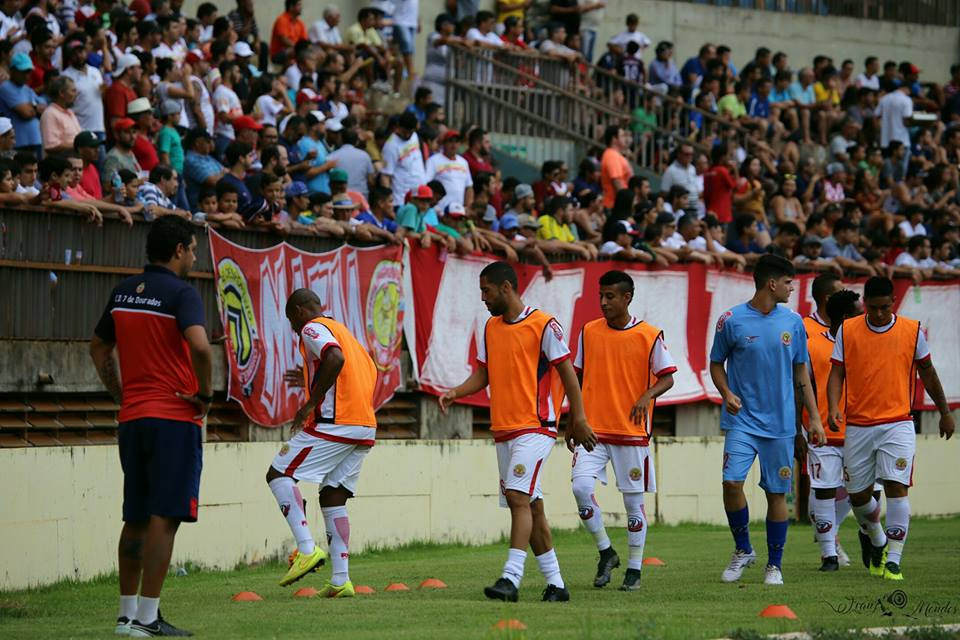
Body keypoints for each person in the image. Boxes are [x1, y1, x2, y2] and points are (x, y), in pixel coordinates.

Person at [439, 261, 597, 603]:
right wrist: (456, 392)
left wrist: (578, 417)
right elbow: (484, 374)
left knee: (516, 497)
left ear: (506, 288)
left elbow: (568, 373)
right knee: (532, 506)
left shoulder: (544, 325)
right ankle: (556, 584)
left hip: (536, 427)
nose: (483, 298)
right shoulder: (490, 327)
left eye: (486, 291)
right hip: (504, 430)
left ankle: (510, 578)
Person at [89, 216, 213, 637]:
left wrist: (120, 395)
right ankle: (148, 618)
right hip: (173, 418)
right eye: (193, 250)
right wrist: (205, 395)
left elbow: (99, 346)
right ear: (178, 250)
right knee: (166, 517)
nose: (194, 257)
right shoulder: (182, 294)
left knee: (136, 516)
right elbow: (200, 347)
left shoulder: (124, 291)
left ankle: (126, 617)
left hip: (133, 418)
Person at [828, 276, 955, 581]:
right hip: (858, 425)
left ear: (893, 302)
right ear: (864, 304)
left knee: (897, 486)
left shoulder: (912, 331)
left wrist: (944, 411)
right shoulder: (848, 329)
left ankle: (894, 560)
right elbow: (837, 372)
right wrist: (833, 406)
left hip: (898, 423)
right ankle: (877, 540)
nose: (879, 313)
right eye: (873, 308)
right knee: (858, 496)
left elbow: (928, 373)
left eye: (885, 307)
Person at [709, 254, 825, 586]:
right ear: (771, 284)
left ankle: (774, 565)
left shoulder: (793, 323)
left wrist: (814, 419)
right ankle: (743, 549)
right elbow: (716, 363)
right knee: (731, 483)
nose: (792, 288)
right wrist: (726, 392)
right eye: (788, 282)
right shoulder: (731, 320)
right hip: (742, 421)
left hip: (781, 426)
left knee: (776, 494)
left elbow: (801, 373)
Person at [267, 288, 378, 597]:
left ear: (300, 311)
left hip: (336, 423)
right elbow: (360, 371)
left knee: (278, 474)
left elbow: (334, 357)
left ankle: (306, 548)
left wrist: (309, 404)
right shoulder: (347, 334)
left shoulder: (312, 327)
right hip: (364, 426)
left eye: (292, 321)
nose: (294, 329)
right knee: (332, 496)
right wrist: (314, 380)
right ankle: (341, 580)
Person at [571, 270, 675, 591]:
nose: (603, 302)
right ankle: (606, 552)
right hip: (593, 431)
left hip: (631, 433)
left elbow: (668, 377)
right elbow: (577, 378)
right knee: (580, 488)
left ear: (627, 298)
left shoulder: (649, 335)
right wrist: (573, 420)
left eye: (610, 296)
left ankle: (634, 569)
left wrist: (647, 395)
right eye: (600, 296)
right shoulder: (588, 331)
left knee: (633, 504)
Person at [804, 288, 860, 572]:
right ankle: (829, 554)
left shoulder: (868, 343)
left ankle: (869, 535)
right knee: (824, 490)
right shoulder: (812, 344)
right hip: (823, 432)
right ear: (846, 317)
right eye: (859, 313)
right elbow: (800, 386)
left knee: (865, 494)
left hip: (863, 429)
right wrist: (800, 428)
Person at [0, 52, 43, 157]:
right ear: (13, 70)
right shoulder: (5, 87)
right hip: (18, 143)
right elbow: (26, 113)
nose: (27, 75)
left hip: (35, 140)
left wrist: (31, 107)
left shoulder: (27, 89)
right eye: (23, 71)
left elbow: (44, 108)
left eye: (28, 72)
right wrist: (34, 107)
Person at [380, 111, 425, 207]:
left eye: (410, 132)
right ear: (398, 127)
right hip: (401, 199)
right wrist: (389, 201)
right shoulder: (391, 146)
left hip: (419, 196)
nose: (407, 135)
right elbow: (385, 176)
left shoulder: (415, 136)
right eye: (404, 132)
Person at [425, 130, 473, 212]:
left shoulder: (463, 162)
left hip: (458, 211)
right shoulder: (433, 160)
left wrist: (467, 207)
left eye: (456, 141)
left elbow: (469, 187)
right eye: (450, 141)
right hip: (440, 210)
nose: (454, 145)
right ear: (444, 143)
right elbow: (426, 183)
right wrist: (433, 206)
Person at [600, 125, 632, 210]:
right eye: (622, 136)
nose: (625, 139)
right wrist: (626, 204)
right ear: (614, 139)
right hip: (615, 205)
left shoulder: (616, 155)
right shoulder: (612, 156)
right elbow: (617, 182)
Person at [270, 0, 307, 65]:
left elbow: (304, 41)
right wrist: (298, 48)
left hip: (295, 51)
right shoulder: (282, 20)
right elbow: (284, 40)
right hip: (278, 54)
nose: (301, 7)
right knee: (294, 51)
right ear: (291, 7)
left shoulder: (300, 23)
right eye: (299, 5)